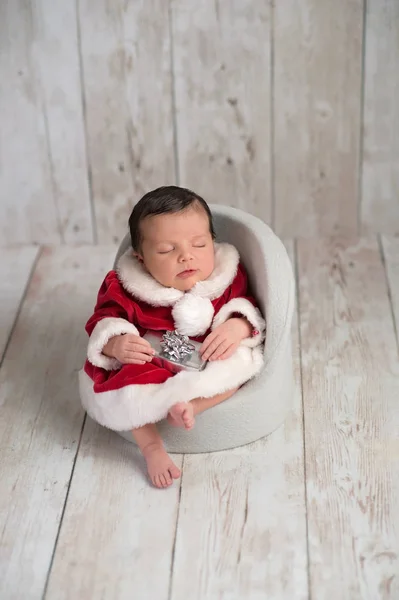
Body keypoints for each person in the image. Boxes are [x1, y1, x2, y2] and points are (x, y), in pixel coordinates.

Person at [79, 186, 265, 489]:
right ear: (141, 259)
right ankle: (152, 448)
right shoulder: (126, 285)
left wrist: (238, 325)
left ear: (213, 243)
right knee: (128, 384)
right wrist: (116, 342)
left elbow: (245, 303)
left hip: (205, 351)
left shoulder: (225, 276)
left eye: (199, 244)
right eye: (166, 250)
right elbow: (104, 319)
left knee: (238, 364)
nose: (186, 256)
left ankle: (192, 408)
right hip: (150, 353)